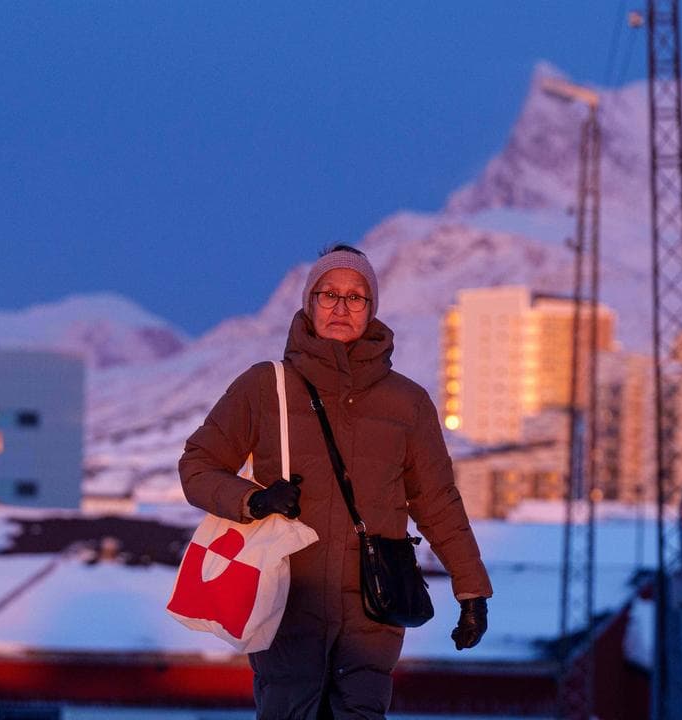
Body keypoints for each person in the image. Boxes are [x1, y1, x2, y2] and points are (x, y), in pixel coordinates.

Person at [179, 244, 493, 719]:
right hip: (286, 598)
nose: (341, 308)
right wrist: (254, 500)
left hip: (373, 604)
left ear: (372, 309)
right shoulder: (266, 387)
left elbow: (437, 501)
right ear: (309, 303)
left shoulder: (407, 402)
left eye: (356, 297)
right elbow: (198, 466)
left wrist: (472, 591)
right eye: (329, 295)